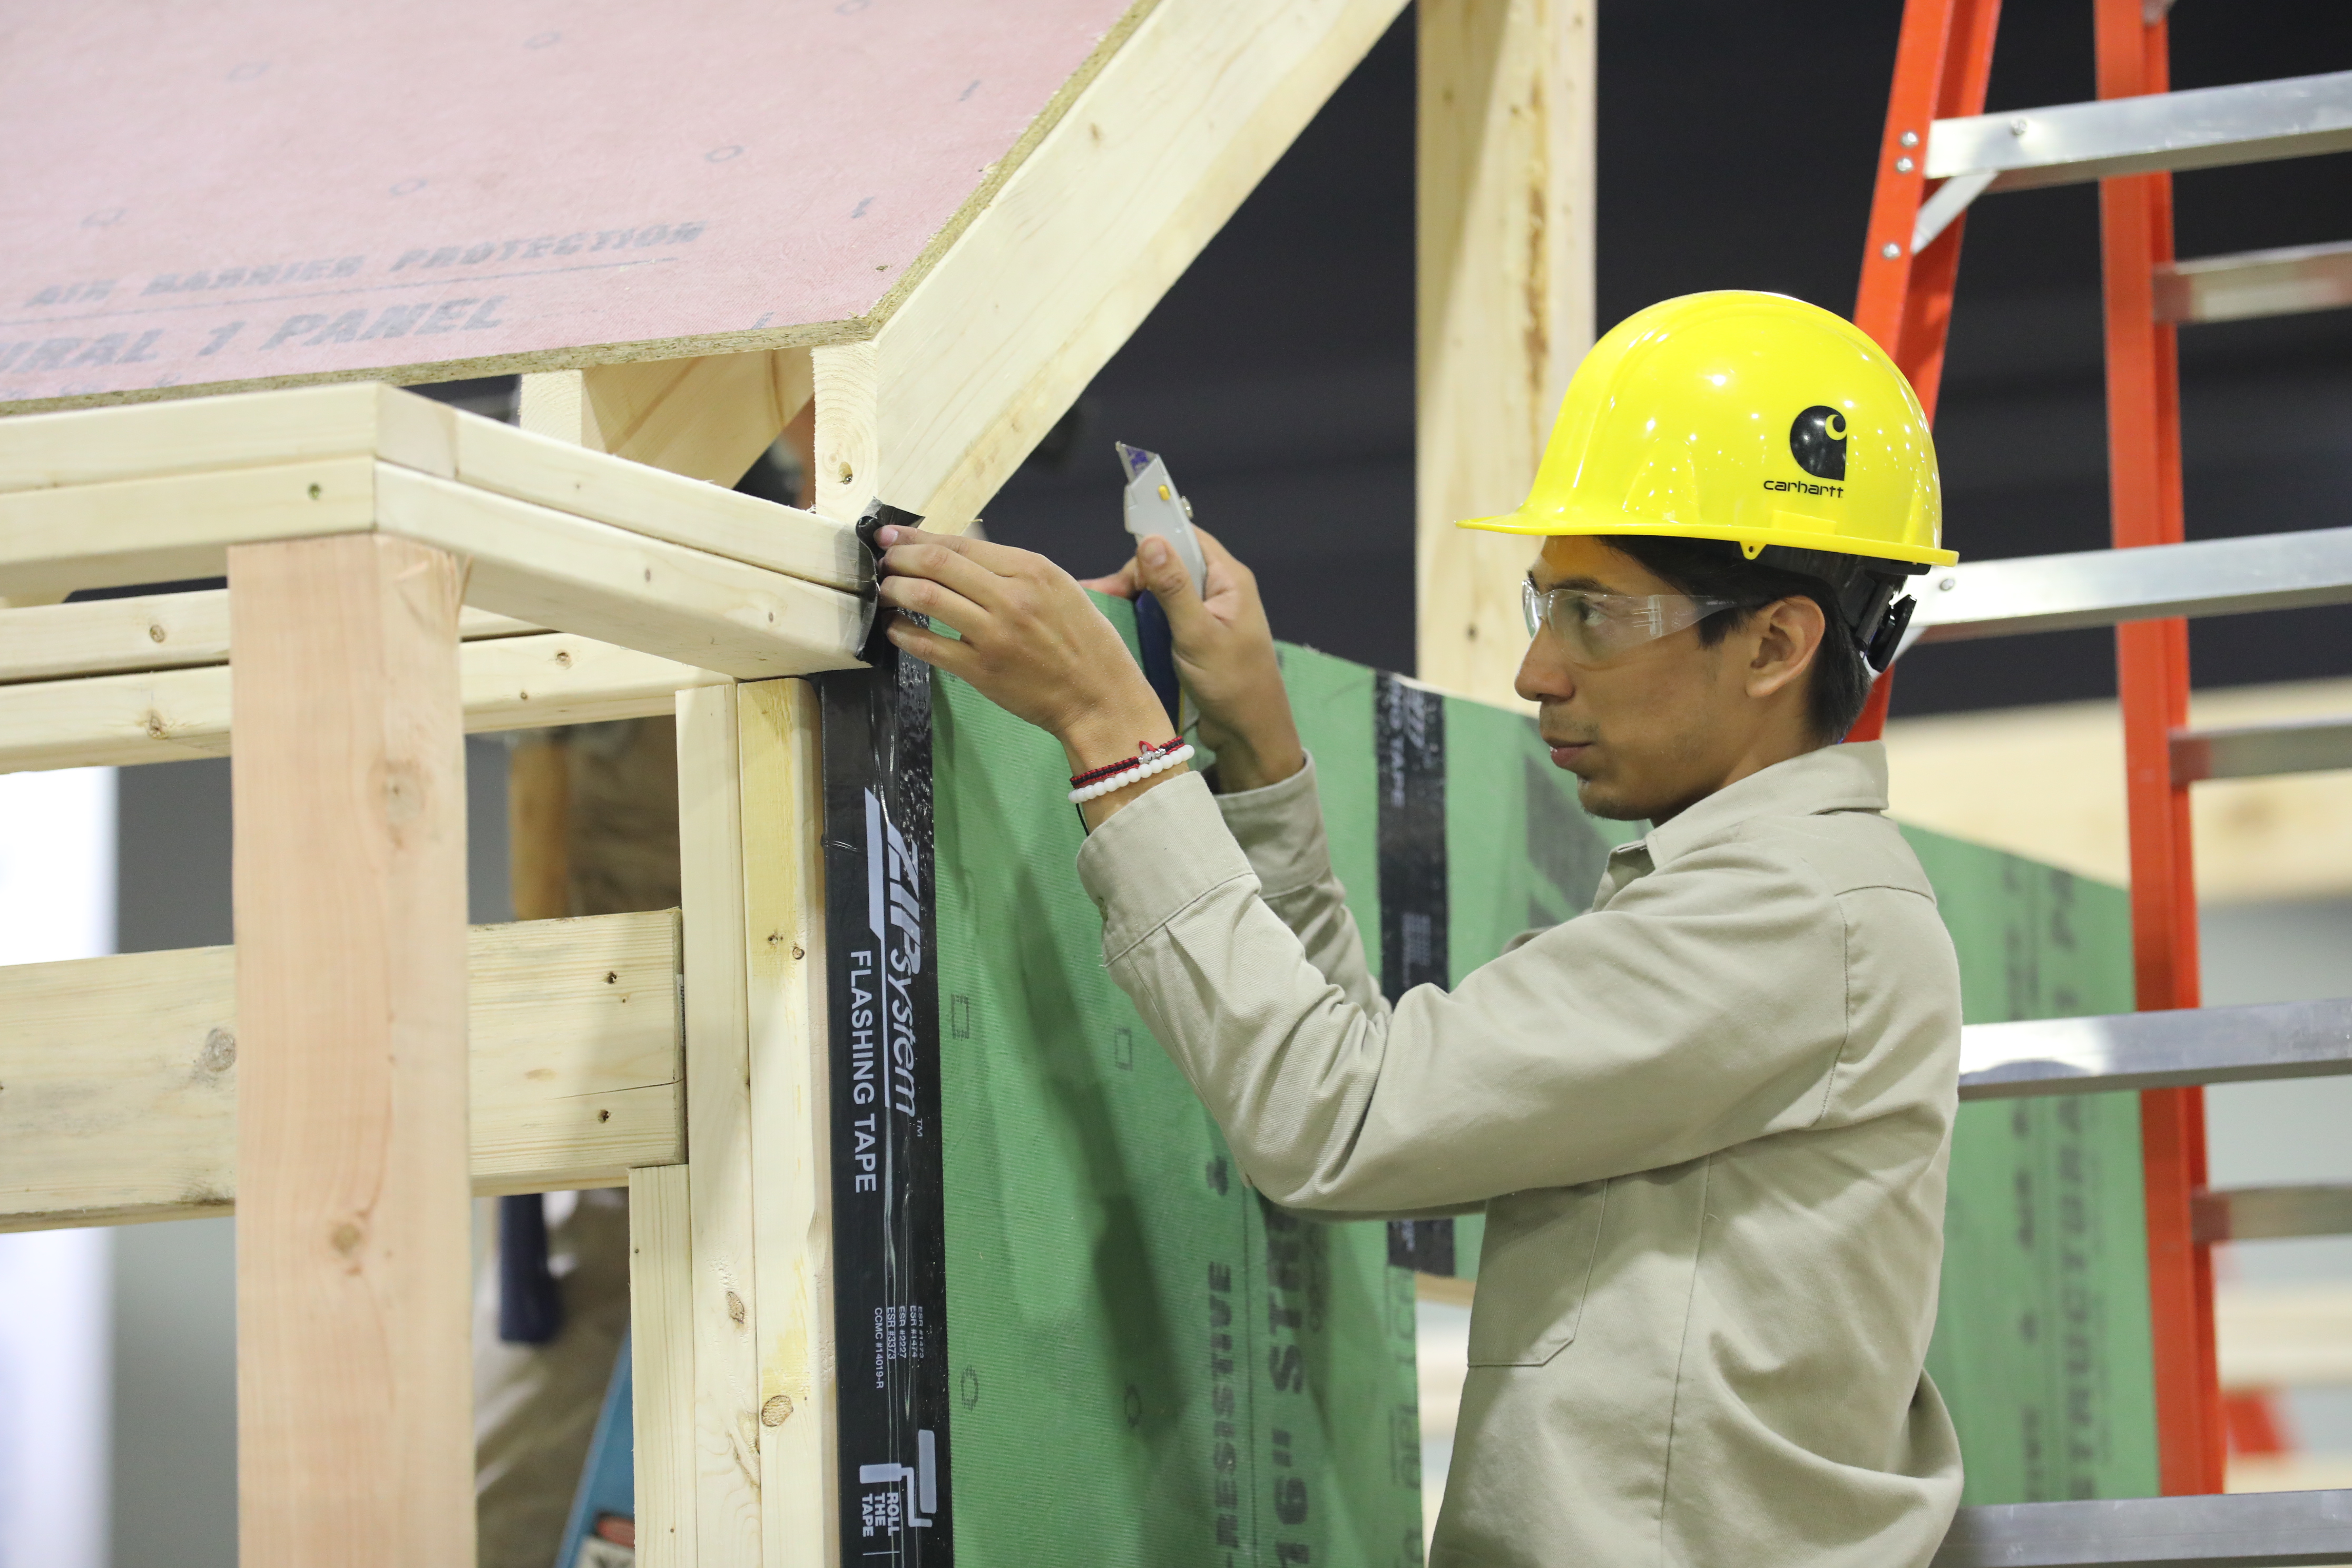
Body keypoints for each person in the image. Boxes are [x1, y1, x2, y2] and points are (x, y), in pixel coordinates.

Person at [870, 291, 1968, 1566]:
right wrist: (1261, 760)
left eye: (1596, 616)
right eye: (1543, 603)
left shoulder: (1789, 917)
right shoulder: (1780, 899)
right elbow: (1392, 1111)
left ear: (1776, 642)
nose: (1537, 670)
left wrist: (1118, 740)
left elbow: (1336, 1121)